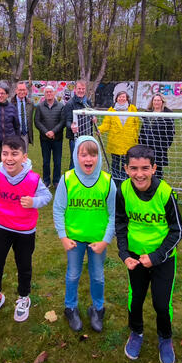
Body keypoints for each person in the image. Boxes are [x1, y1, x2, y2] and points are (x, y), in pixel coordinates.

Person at [115, 145, 182, 363]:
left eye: (145, 168)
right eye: (133, 168)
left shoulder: (165, 192)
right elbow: (121, 223)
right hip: (135, 258)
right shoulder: (123, 190)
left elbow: (177, 230)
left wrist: (156, 256)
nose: (139, 174)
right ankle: (136, 332)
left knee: (162, 304)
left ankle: (165, 337)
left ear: (154, 168)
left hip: (163, 259)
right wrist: (125, 253)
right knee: (136, 299)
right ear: (126, 169)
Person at [0, 136, 52, 322]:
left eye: (14, 154)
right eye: (5, 153)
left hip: (25, 230)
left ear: (24, 157)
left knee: (24, 265)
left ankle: (23, 297)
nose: (9, 158)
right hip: (1, 226)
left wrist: (34, 201)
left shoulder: (33, 179)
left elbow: (47, 196)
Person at [53, 135, 116, 333]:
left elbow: (115, 214)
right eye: (83, 155)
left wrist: (106, 241)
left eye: (93, 155)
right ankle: (70, 307)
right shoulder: (67, 179)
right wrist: (63, 236)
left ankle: (97, 309)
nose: (88, 159)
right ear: (76, 155)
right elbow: (58, 209)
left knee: (97, 276)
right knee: (73, 275)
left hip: (98, 241)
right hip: (74, 240)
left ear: (98, 157)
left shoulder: (107, 181)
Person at [97, 90, 140, 184]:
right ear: (116, 98)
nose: (121, 99)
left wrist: (135, 138)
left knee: (126, 163)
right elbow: (106, 124)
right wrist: (99, 129)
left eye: (123, 97)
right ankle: (115, 182)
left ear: (127, 98)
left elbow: (136, 124)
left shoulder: (132, 109)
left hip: (128, 142)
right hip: (115, 142)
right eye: (120, 97)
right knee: (115, 163)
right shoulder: (111, 110)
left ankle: (125, 182)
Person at [139, 93, 175, 180]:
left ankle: (158, 185)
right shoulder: (147, 113)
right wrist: (141, 142)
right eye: (155, 100)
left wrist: (166, 144)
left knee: (157, 168)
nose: (156, 102)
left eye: (158, 100)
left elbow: (171, 132)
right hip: (147, 146)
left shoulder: (168, 114)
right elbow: (143, 130)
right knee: (147, 167)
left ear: (162, 102)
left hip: (160, 146)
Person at [35, 85, 65, 188]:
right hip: (44, 139)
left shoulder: (61, 106)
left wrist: (53, 132)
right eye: (47, 92)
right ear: (44, 94)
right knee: (46, 161)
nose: (49, 94)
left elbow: (62, 122)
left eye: (50, 92)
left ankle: (56, 181)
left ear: (54, 93)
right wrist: (46, 132)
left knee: (57, 161)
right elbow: (37, 122)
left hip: (57, 139)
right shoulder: (39, 106)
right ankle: (46, 181)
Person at [62, 80, 96, 169]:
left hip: (88, 137)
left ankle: (84, 179)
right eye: (79, 88)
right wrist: (71, 126)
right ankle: (72, 180)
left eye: (83, 89)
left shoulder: (87, 102)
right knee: (75, 160)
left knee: (87, 160)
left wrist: (93, 118)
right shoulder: (70, 104)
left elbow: (91, 115)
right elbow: (67, 121)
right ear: (75, 90)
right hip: (75, 138)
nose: (81, 90)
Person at [11, 81, 35, 152]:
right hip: (14, 134)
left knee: (24, 155)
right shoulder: (10, 102)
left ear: (26, 91)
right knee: (14, 154)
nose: (22, 92)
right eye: (20, 90)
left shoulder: (30, 103)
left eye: (24, 90)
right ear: (16, 90)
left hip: (25, 134)